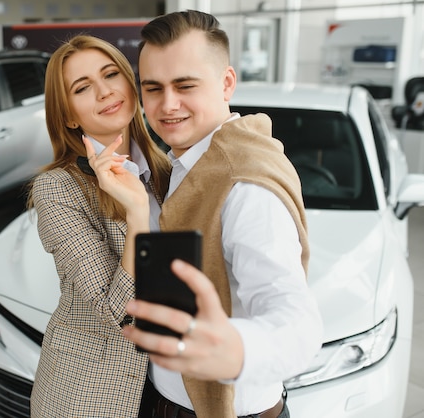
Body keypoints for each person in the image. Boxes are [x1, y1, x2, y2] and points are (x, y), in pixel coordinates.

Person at [92, 9, 323, 418]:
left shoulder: (244, 184)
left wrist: (236, 349)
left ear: (227, 83)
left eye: (185, 85)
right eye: (153, 88)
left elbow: (297, 322)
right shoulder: (186, 163)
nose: (167, 105)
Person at [28, 35, 171, 417]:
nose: (105, 91)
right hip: (93, 390)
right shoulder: (58, 188)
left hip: (173, 387)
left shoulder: (167, 171)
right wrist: (137, 213)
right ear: (70, 116)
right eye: (83, 87)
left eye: (111, 74)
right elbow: (119, 311)